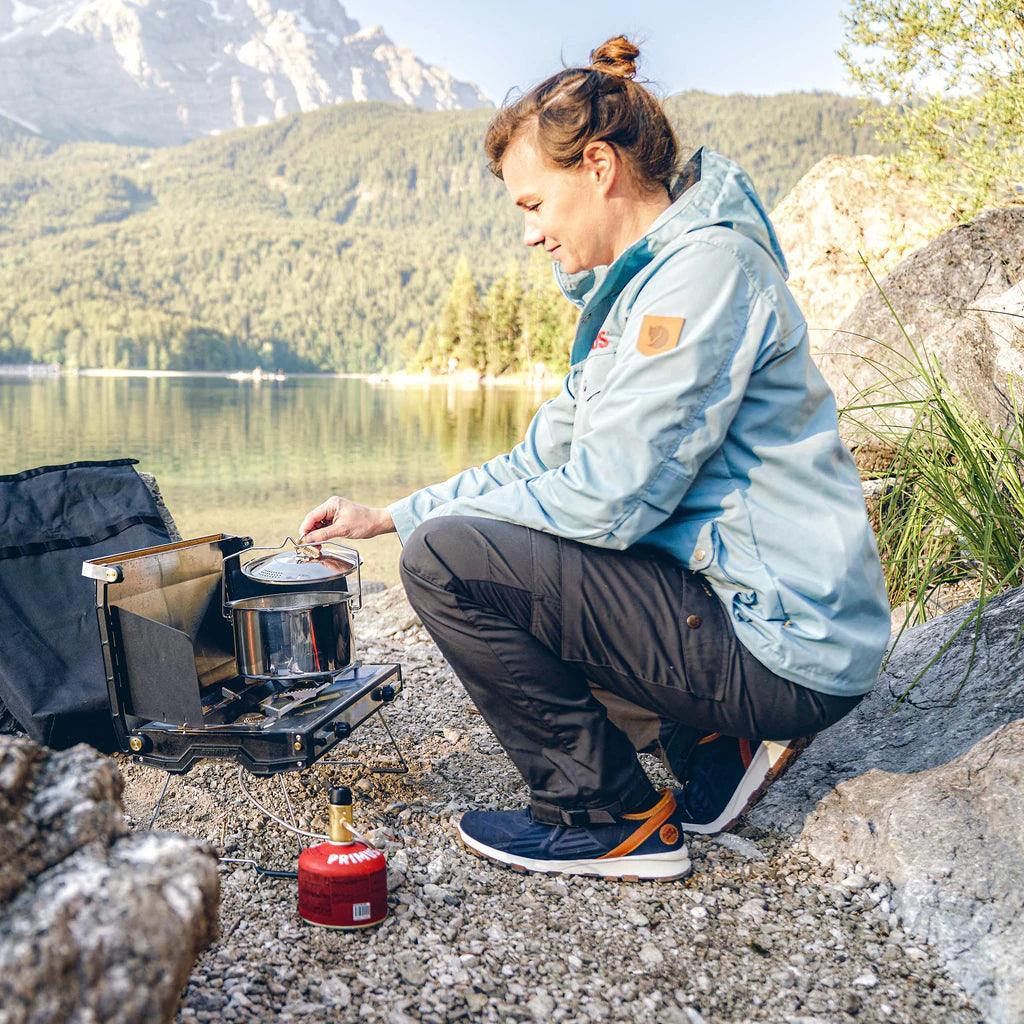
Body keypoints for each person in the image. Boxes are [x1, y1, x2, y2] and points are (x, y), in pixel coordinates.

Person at [299, 36, 891, 881]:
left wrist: (450, 540)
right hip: (758, 618)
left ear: (600, 168)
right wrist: (394, 515)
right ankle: (717, 741)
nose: (531, 235)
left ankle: (605, 818)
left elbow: (611, 499)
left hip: (785, 643)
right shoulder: (645, 291)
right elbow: (542, 458)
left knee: (451, 565)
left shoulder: (703, 278)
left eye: (535, 205)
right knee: (460, 543)